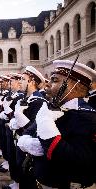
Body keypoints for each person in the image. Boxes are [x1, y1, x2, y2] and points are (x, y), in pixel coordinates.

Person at [32, 60, 96, 189]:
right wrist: (26, 141)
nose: (47, 84)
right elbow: (31, 130)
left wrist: (47, 130)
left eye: (55, 80)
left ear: (75, 87)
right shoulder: (54, 107)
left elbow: (78, 161)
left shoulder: (87, 117)